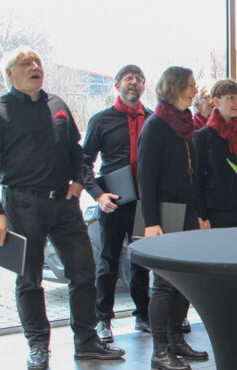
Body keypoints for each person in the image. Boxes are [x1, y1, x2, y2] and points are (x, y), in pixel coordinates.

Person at [0, 46, 125, 370]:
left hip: (65, 204)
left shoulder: (57, 105)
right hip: (22, 204)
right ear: (10, 74)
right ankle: (38, 346)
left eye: (37, 61)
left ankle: (87, 342)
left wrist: (79, 181)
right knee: (29, 278)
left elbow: (75, 149)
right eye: (26, 63)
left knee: (84, 272)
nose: (35, 66)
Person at [137, 66, 211, 370]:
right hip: (164, 214)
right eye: (190, 85)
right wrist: (151, 221)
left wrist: (201, 214)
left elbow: (193, 176)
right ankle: (160, 350)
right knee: (165, 284)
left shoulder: (185, 124)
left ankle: (176, 340)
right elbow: (145, 177)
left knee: (185, 281)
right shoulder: (155, 126)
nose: (195, 91)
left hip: (188, 213)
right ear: (174, 87)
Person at [83, 65, 152, 342]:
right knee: (108, 261)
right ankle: (103, 320)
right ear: (117, 85)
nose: (134, 83)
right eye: (128, 78)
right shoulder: (101, 120)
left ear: (144, 86)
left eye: (139, 79)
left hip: (144, 202)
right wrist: (98, 195)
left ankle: (143, 315)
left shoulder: (152, 119)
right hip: (113, 200)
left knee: (141, 261)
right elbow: (84, 163)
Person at [193, 79, 237, 228]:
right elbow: (197, 179)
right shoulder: (202, 136)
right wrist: (202, 214)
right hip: (216, 211)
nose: (236, 102)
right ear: (216, 100)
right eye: (230, 97)